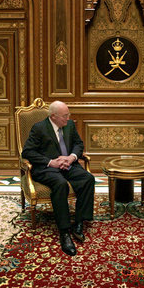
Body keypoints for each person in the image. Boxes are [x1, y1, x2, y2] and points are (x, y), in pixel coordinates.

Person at [22, 100, 95, 256]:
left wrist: (72, 157)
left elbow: (78, 144)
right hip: (48, 168)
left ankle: (79, 222)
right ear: (53, 116)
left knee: (88, 179)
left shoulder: (69, 125)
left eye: (68, 115)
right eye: (64, 116)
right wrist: (51, 162)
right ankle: (64, 232)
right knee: (60, 184)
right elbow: (27, 152)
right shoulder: (39, 128)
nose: (67, 119)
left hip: (68, 164)